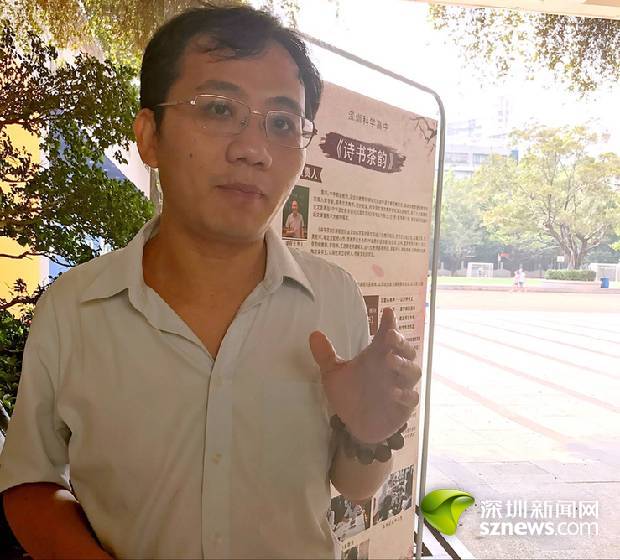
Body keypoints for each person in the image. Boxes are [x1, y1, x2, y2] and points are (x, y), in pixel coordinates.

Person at [0, 4, 421, 559]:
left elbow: (356, 485)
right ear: (149, 136)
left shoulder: (334, 297)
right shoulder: (73, 307)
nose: (253, 149)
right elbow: (30, 481)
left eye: (282, 123)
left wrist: (368, 432)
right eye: (219, 108)